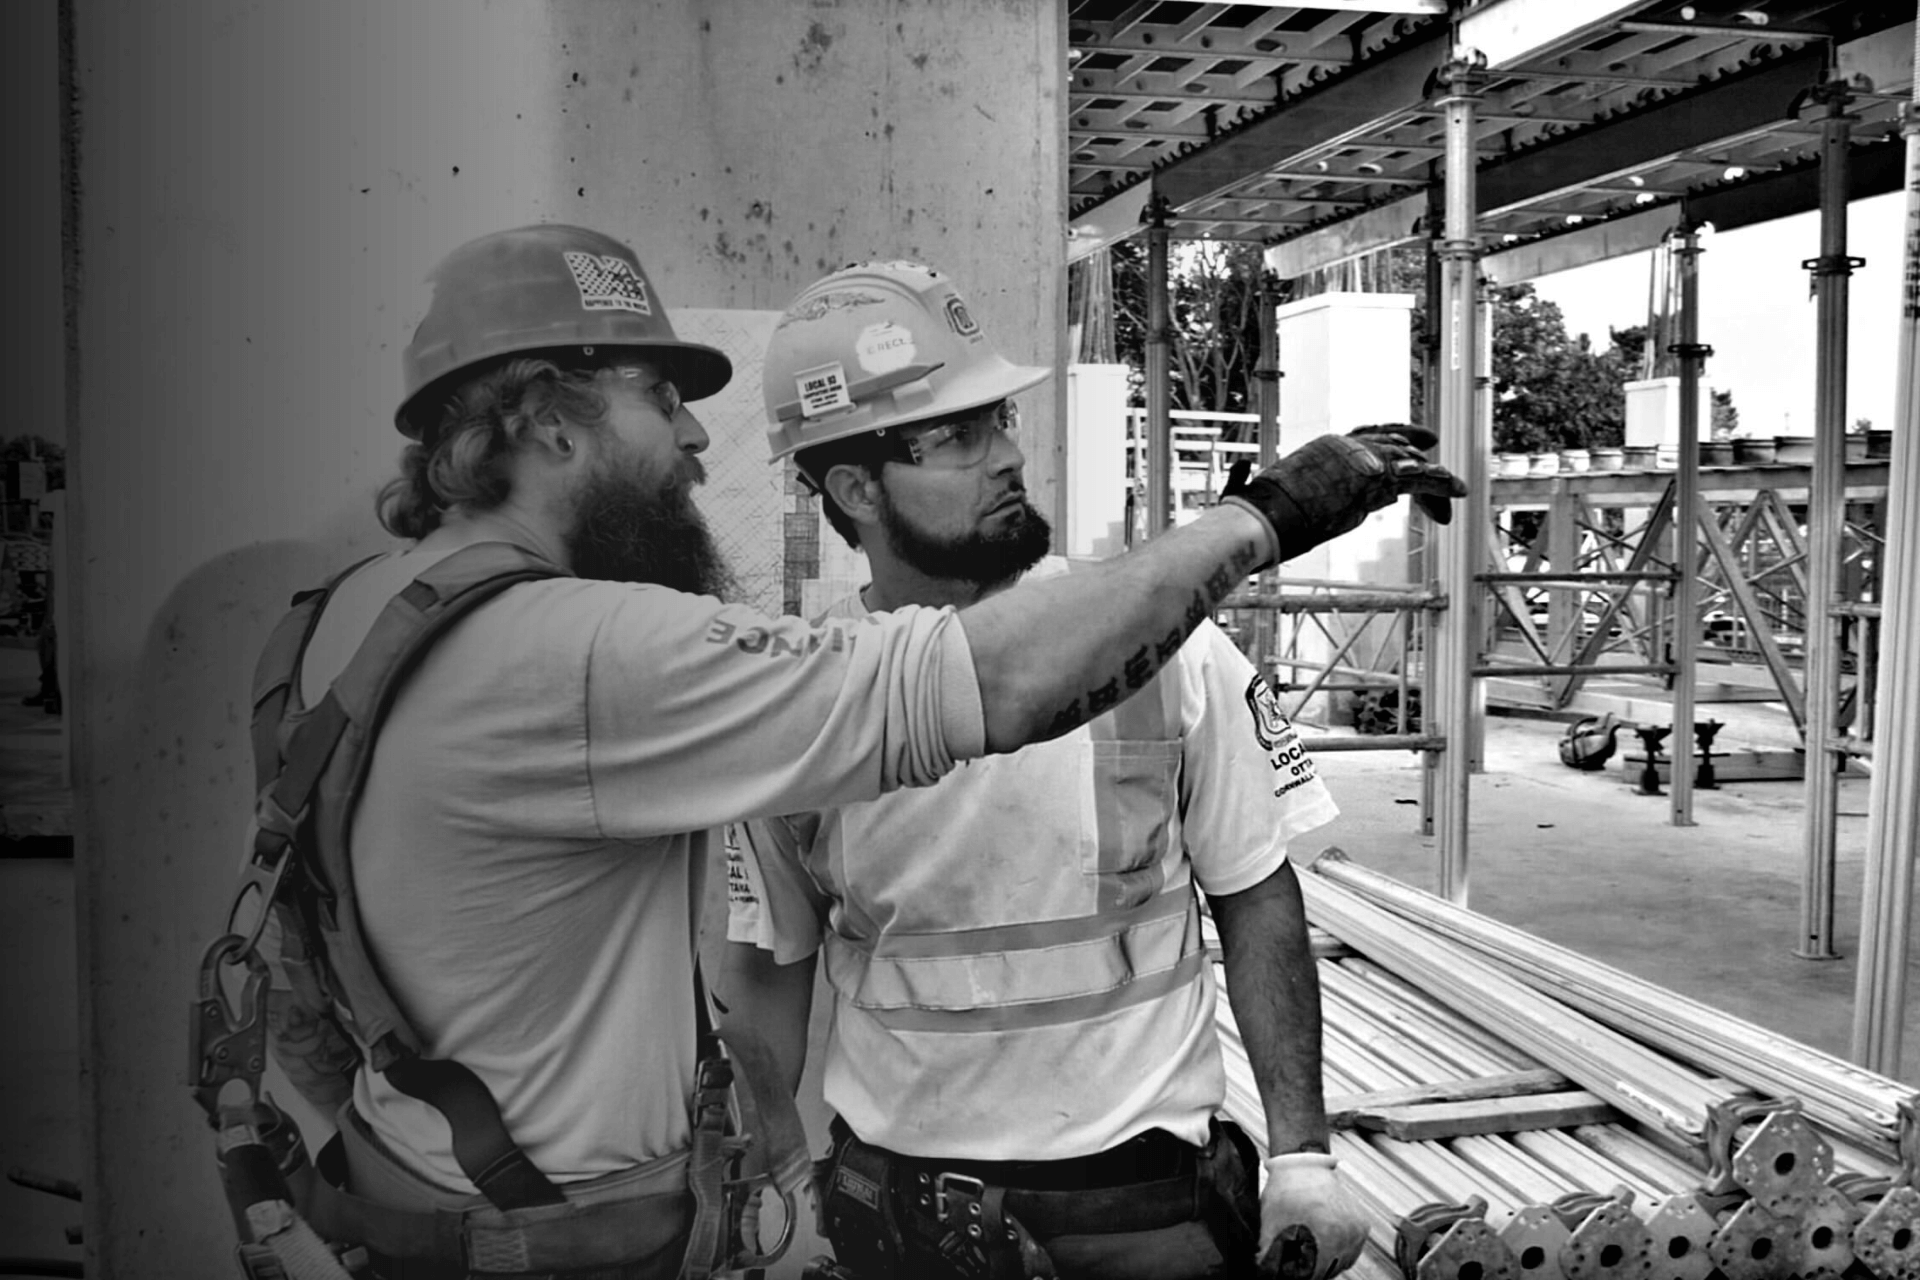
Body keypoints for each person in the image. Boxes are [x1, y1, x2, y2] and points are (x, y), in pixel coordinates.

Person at [222, 225, 1460, 1280]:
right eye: (661, 400)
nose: (696, 444)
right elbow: (990, 684)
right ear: (547, 418)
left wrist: (1298, 1152)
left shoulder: (332, 623)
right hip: (598, 1232)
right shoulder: (596, 653)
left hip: (409, 1200)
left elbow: (292, 973)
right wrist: (1265, 515)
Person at [718, 260, 1374, 1280]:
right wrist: (781, 1176)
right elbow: (770, 961)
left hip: (1142, 1200)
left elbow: (1256, 892)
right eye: (957, 435)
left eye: (1001, 421)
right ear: (852, 486)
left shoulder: (1170, 646)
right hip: (898, 1212)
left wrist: (1301, 1152)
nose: (1007, 457)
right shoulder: (804, 704)